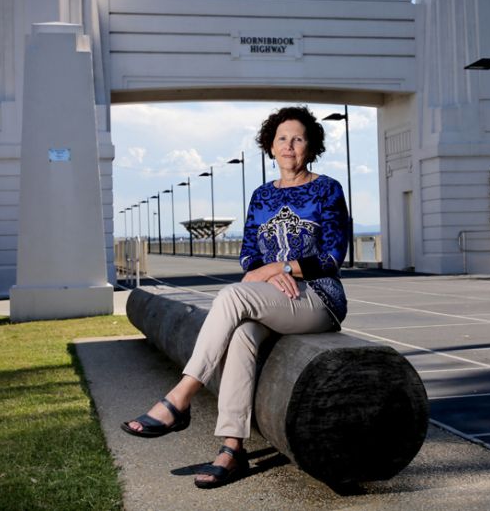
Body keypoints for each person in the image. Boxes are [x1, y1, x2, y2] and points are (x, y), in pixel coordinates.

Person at [121, 105, 349, 489]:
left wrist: (283, 269)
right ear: (270, 147)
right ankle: (232, 448)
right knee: (241, 334)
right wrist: (265, 274)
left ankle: (180, 397)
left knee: (230, 297)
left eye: (298, 138)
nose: (289, 145)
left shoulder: (327, 189)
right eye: (282, 139)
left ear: (310, 146)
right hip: (270, 298)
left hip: (317, 297)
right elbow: (248, 255)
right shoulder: (261, 196)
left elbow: (332, 256)